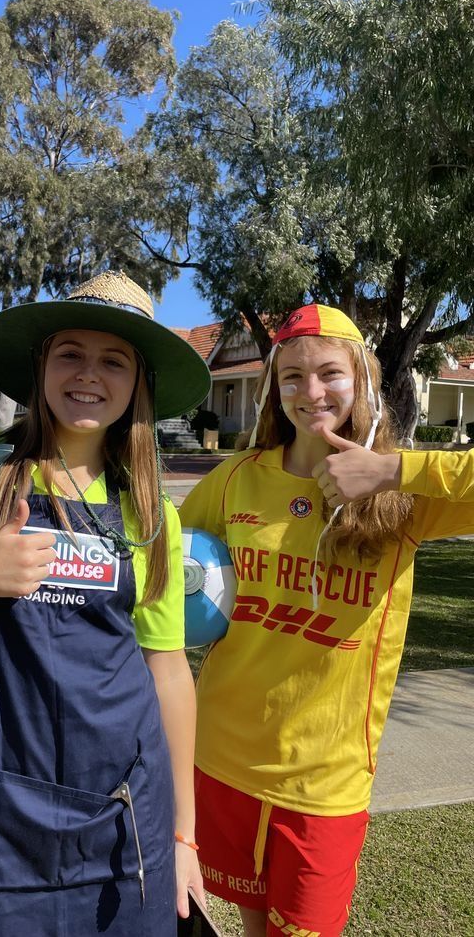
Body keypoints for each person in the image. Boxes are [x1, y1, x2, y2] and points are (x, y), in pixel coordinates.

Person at [0, 271, 211, 936]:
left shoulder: (151, 515)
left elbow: (169, 675)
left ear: (139, 382)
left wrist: (184, 835)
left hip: (124, 824)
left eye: (114, 359)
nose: (90, 374)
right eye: (71, 353)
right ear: (40, 366)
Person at [179, 303, 474, 937]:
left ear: (363, 379)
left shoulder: (404, 496)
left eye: (329, 374)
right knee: (251, 921)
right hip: (223, 756)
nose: (310, 392)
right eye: (291, 377)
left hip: (325, 779)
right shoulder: (233, 481)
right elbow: (160, 562)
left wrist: (392, 469)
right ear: (272, 389)